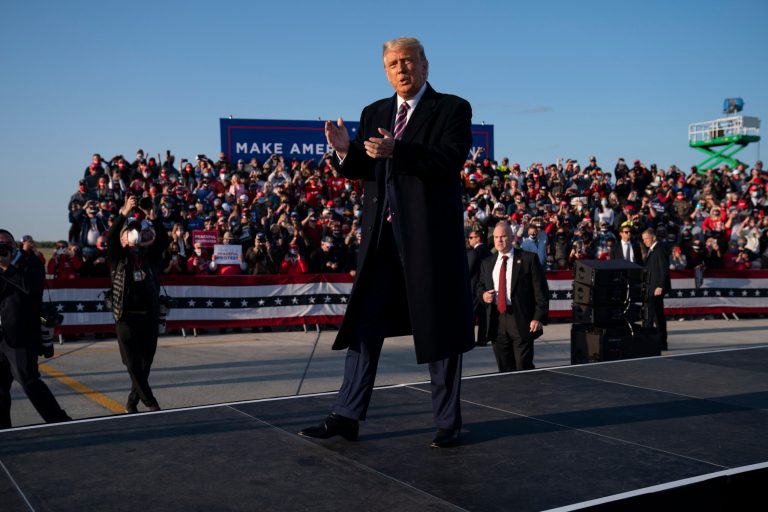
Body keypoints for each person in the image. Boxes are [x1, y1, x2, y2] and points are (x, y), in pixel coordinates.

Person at [299, 37, 474, 448]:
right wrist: (344, 153)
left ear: (425, 66)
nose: (402, 69)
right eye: (393, 63)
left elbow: (449, 159)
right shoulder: (374, 112)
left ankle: (448, 422)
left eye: (409, 61)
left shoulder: (452, 108)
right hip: (380, 241)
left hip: (428, 242)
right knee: (363, 324)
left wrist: (400, 149)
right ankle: (346, 415)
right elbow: (366, 168)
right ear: (385, 71)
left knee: (439, 328)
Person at [0, 229, 71, 428]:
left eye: (5, 244)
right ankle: (4, 432)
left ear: (14, 245)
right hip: (1, 335)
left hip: (21, 335)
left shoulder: (30, 263)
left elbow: (31, 289)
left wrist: (8, 268)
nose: (2, 249)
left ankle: (59, 421)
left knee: (29, 381)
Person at [107, 196, 168, 413]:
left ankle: (132, 402)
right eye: (129, 231)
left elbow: (163, 239)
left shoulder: (149, 258)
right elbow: (111, 238)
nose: (134, 234)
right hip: (125, 317)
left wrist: (151, 214)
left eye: (137, 231)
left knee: (145, 363)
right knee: (132, 363)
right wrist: (124, 212)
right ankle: (150, 402)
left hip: (148, 315)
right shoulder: (118, 258)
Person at [477, 222, 549, 372]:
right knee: (504, 368)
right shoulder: (487, 263)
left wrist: (538, 317)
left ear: (511, 237)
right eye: (496, 237)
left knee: (523, 365)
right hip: (497, 320)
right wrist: (483, 295)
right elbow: (480, 287)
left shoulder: (528, 259)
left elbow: (540, 291)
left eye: (503, 236)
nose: (499, 240)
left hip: (521, 319)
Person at [641, 228, 671, 351]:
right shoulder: (652, 250)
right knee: (658, 316)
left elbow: (664, 269)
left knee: (649, 316)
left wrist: (660, 286)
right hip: (651, 288)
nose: (645, 241)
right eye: (643, 239)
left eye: (647, 239)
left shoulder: (659, 249)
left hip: (656, 289)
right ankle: (661, 342)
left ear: (653, 237)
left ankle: (646, 342)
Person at [467, 230, 491, 346]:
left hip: (475, 288)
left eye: (471, 237)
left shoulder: (475, 252)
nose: (469, 239)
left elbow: (469, 270)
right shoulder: (489, 252)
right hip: (486, 287)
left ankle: (469, 339)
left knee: (471, 314)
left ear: (478, 238)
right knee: (483, 315)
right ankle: (482, 339)